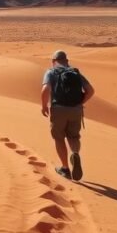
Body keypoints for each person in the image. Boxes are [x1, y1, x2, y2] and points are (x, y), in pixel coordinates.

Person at [41, 50, 94, 181]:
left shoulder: (51, 72)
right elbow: (90, 91)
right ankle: (75, 153)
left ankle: (65, 168)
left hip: (58, 109)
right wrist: (80, 103)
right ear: (67, 61)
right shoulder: (75, 72)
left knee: (59, 138)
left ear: (53, 61)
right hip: (75, 110)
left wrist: (44, 106)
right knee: (73, 136)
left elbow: (45, 89)